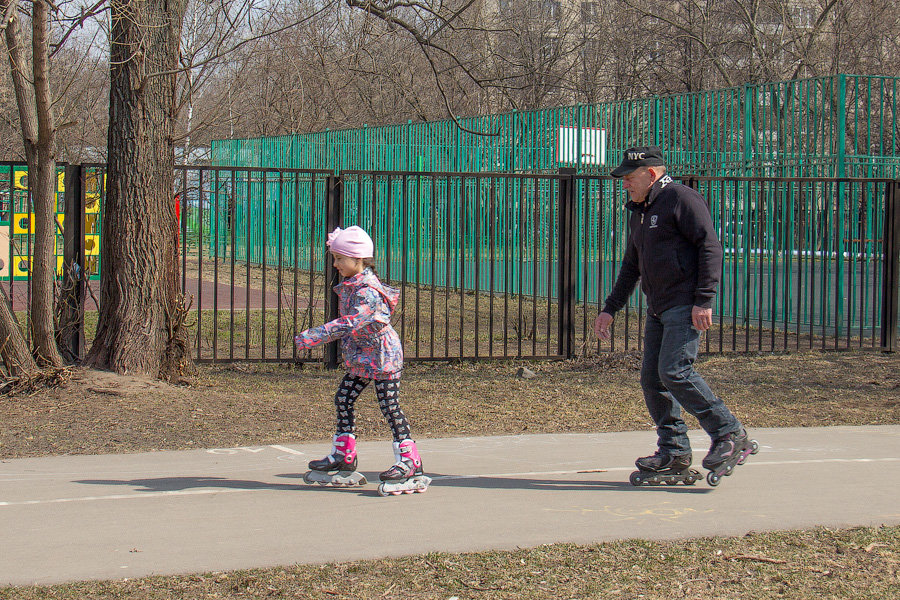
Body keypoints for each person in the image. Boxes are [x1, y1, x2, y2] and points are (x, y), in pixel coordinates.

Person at [594, 146, 756, 486]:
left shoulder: (682, 198)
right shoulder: (639, 212)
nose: (625, 184)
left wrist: (704, 299)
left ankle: (729, 432)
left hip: (685, 303)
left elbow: (709, 246)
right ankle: (674, 450)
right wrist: (610, 308)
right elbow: (630, 267)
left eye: (629, 177)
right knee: (653, 379)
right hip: (658, 306)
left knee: (675, 370)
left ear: (651, 175)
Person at [294, 225, 430, 495]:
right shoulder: (353, 285)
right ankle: (344, 455)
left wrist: (315, 335)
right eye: (334, 258)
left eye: (339, 259)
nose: (335, 264)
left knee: (389, 406)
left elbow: (351, 323)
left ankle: (409, 461)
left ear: (357, 259)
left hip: (382, 358)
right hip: (363, 357)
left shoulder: (367, 290)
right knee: (344, 398)